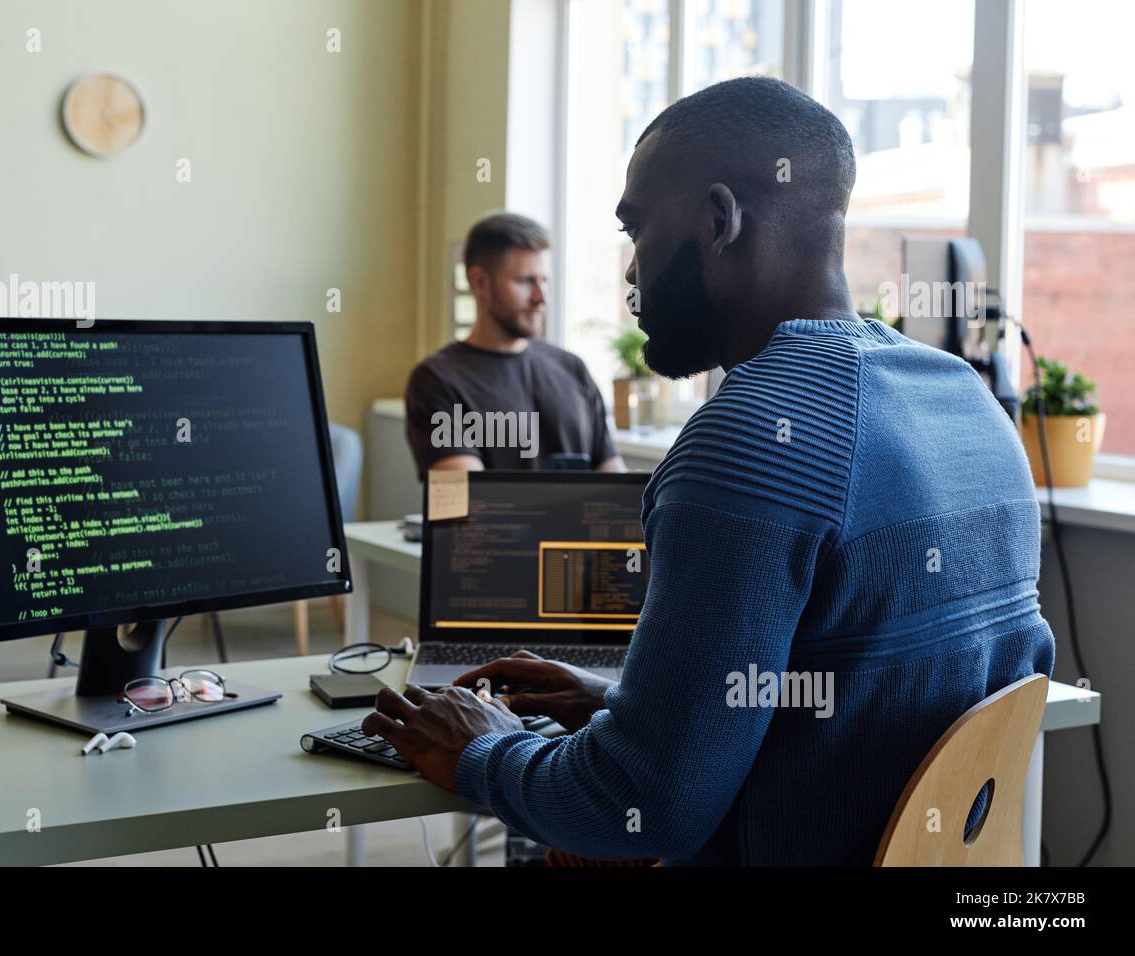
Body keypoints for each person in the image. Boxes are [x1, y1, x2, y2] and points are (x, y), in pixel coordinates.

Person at [362, 76, 1055, 865]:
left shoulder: (749, 441)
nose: (630, 272)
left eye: (638, 229)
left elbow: (638, 805)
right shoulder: (968, 401)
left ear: (719, 222)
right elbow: (860, 699)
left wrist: (482, 748)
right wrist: (627, 706)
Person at [404, 212, 626, 475]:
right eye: (525, 282)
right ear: (480, 283)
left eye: (544, 281)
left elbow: (613, 483)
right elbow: (467, 504)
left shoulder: (572, 368)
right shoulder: (437, 380)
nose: (541, 298)